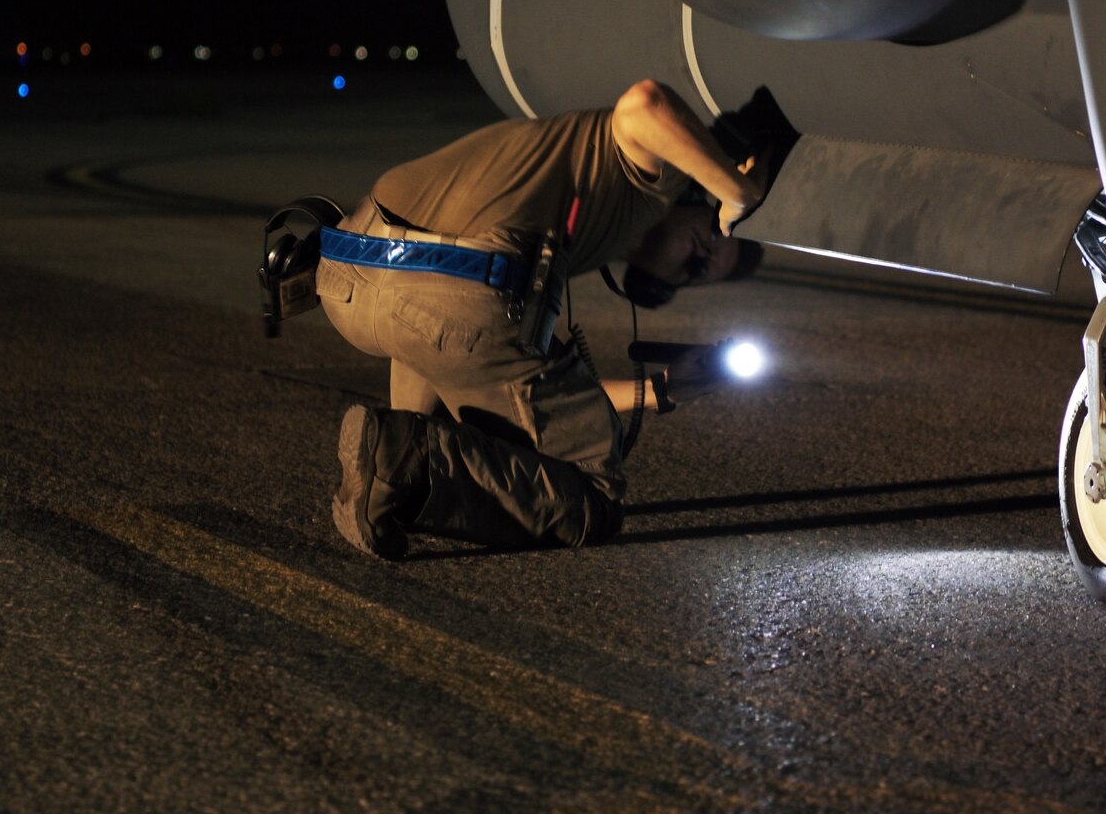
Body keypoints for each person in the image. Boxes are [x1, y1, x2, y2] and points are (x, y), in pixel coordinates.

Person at [314, 78, 769, 558]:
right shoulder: (656, 183)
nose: (702, 252)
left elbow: (532, 397)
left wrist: (660, 390)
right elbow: (644, 105)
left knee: (483, 437)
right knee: (594, 499)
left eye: (697, 272)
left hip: (350, 280)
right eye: (713, 235)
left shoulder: (580, 215)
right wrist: (740, 196)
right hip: (444, 297)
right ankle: (406, 462)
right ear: (703, 203)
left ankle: (399, 459)